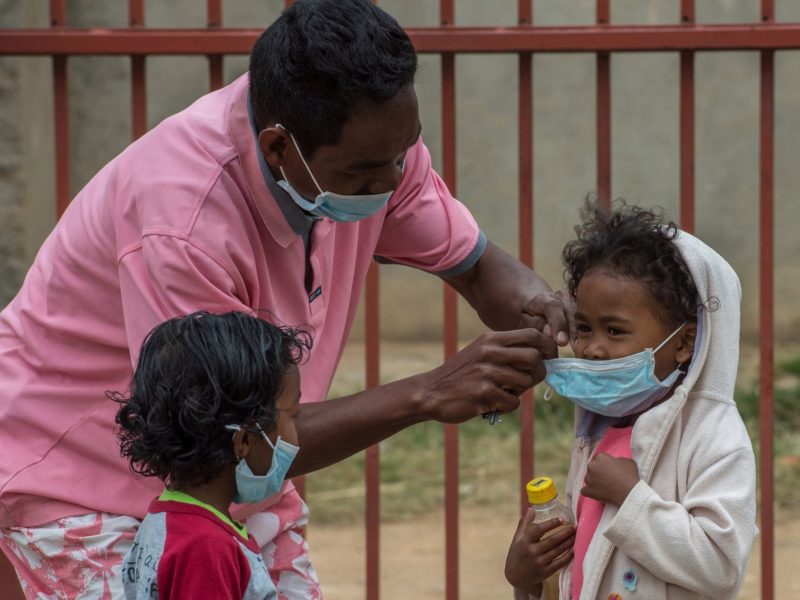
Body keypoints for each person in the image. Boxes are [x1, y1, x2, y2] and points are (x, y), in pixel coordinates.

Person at [0, 0, 572, 597]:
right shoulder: (183, 218)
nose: (392, 181)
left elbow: (477, 268)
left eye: (403, 156)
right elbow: (224, 441)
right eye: (365, 173)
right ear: (278, 149)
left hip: (235, 488)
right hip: (81, 479)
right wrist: (428, 391)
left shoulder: (374, 150)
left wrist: (551, 319)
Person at [504, 201, 757, 599]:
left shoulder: (715, 439)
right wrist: (526, 578)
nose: (592, 350)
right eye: (584, 328)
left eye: (615, 331)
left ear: (685, 342)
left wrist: (631, 498)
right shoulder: (600, 425)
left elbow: (721, 566)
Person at [113, 311, 309, 599]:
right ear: (243, 440)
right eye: (292, 416)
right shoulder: (206, 548)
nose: (296, 435)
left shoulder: (168, 520)